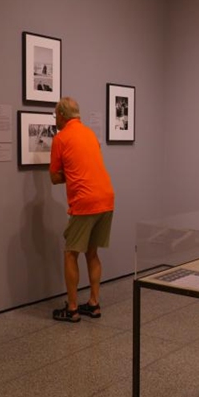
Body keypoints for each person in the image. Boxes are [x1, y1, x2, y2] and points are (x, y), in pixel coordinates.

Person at [49, 97, 115, 322]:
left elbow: (54, 177)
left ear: (62, 115)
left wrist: (70, 173)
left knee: (70, 253)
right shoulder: (90, 134)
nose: (55, 118)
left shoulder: (61, 138)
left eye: (55, 114)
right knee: (92, 252)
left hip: (85, 201)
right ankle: (94, 304)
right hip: (106, 198)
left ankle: (73, 308)